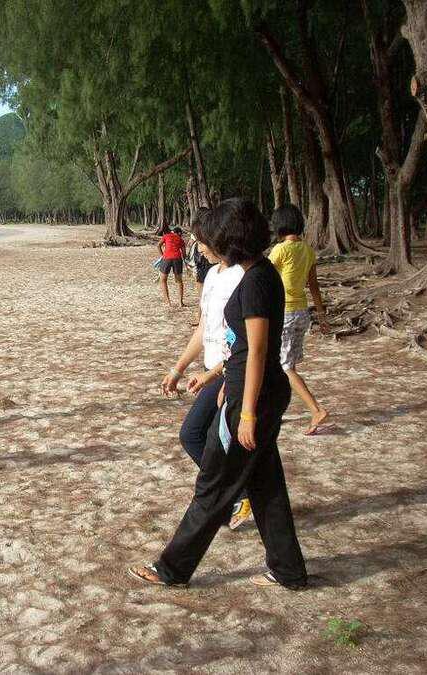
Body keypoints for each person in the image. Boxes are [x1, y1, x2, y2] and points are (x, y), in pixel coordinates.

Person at [129, 198, 307, 590]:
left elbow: (258, 351)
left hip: (253, 399)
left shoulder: (256, 281)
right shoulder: (256, 273)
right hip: (248, 389)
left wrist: (247, 412)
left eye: (207, 239)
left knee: (213, 483)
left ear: (230, 240)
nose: (202, 246)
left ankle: (172, 569)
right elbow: (242, 349)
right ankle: (288, 570)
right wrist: (224, 378)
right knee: (265, 483)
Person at [160, 213, 252, 530]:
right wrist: (178, 369)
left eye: (201, 241)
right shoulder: (212, 274)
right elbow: (203, 329)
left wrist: (212, 376)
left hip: (230, 372)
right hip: (211, 368)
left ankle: (237, 494)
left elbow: (244, 341)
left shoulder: (243, 276)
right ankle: (240, 495)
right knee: (218, 441)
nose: (197, 248)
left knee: (193, 434)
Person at [269, 205, 330, 435]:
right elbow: (313, 285)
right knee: (284, 365)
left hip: (284, 313)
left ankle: (316, 409)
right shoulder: (308, 250)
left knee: (285, 367)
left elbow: (264, 278)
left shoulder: (280, 250)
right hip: (302, 313)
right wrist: (321, 315)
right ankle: (276, 411)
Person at [157, 224, 186, 307]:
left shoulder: (166, 236)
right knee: (179, 281)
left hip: (166, 258)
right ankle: (180, 302)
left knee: (163, 280)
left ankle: (168, 302)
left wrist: (162, 255)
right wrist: (186, 261)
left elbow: (158, 245)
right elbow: (184, 254)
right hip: (177, 259)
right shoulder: (181, 239)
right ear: (179, 233)